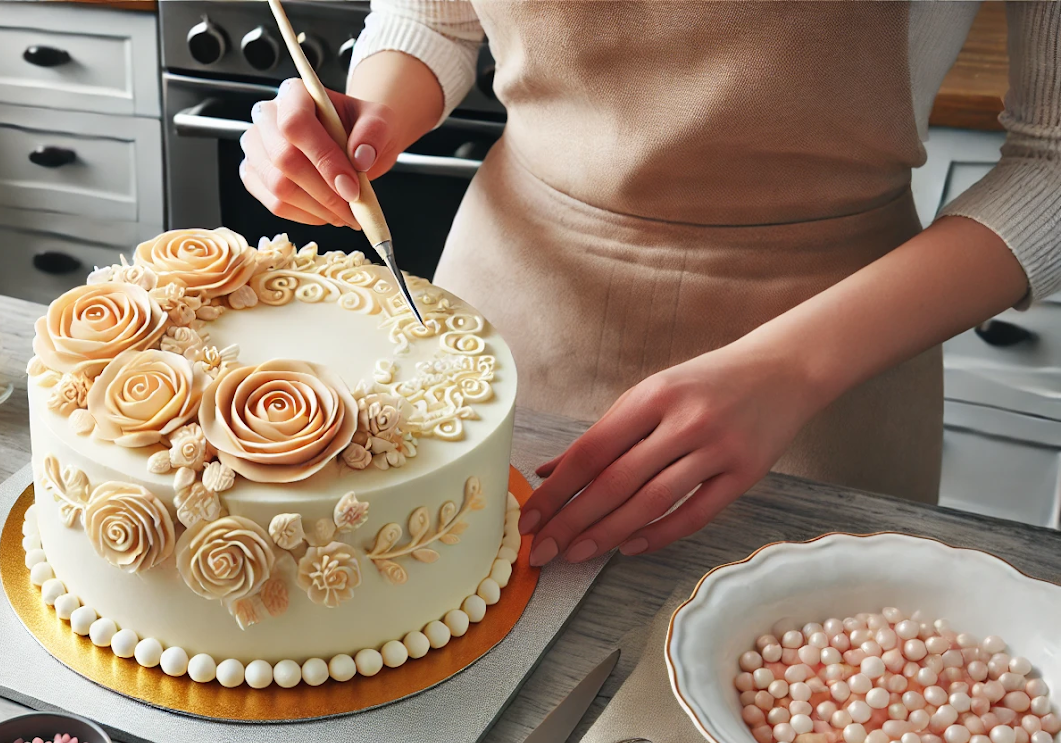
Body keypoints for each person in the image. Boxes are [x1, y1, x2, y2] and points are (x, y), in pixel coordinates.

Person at [239, 1, 1060, 566]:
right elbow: (437, 13)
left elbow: (1051, 171)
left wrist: (795, 369)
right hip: (513, 306)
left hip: (832, 353)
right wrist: (368, 119)